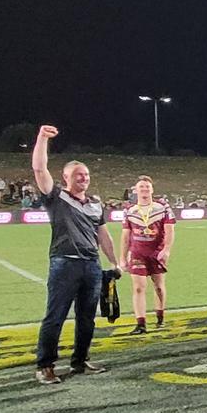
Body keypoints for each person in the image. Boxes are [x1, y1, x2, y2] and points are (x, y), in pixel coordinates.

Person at [30, 125, 119, 385]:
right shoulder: (57, 197)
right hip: (64, 264)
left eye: (87, 174)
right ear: (66, 177)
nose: (84, 178)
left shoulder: (94, 203)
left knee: (87, 318)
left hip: (91, 265)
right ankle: (45, 365)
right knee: (55, 316)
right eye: (78, 175)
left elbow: (103, 234)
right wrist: (42, 138)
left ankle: (80, 360)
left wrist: (114, 261)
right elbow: (39, 169)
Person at [118, 175, 176, 334]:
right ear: (136, 190)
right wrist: (122, 257)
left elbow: (170, 230)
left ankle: (160, 316)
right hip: (137, 253)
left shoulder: (162, 207)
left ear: (152, 189)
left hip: (156, 253)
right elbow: (125, 235)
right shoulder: (129, 210)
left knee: (158, 286)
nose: (144, 189)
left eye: (147, 187)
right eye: (141, 187)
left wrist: (166, 249)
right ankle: (141, 323)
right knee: (138, 287)